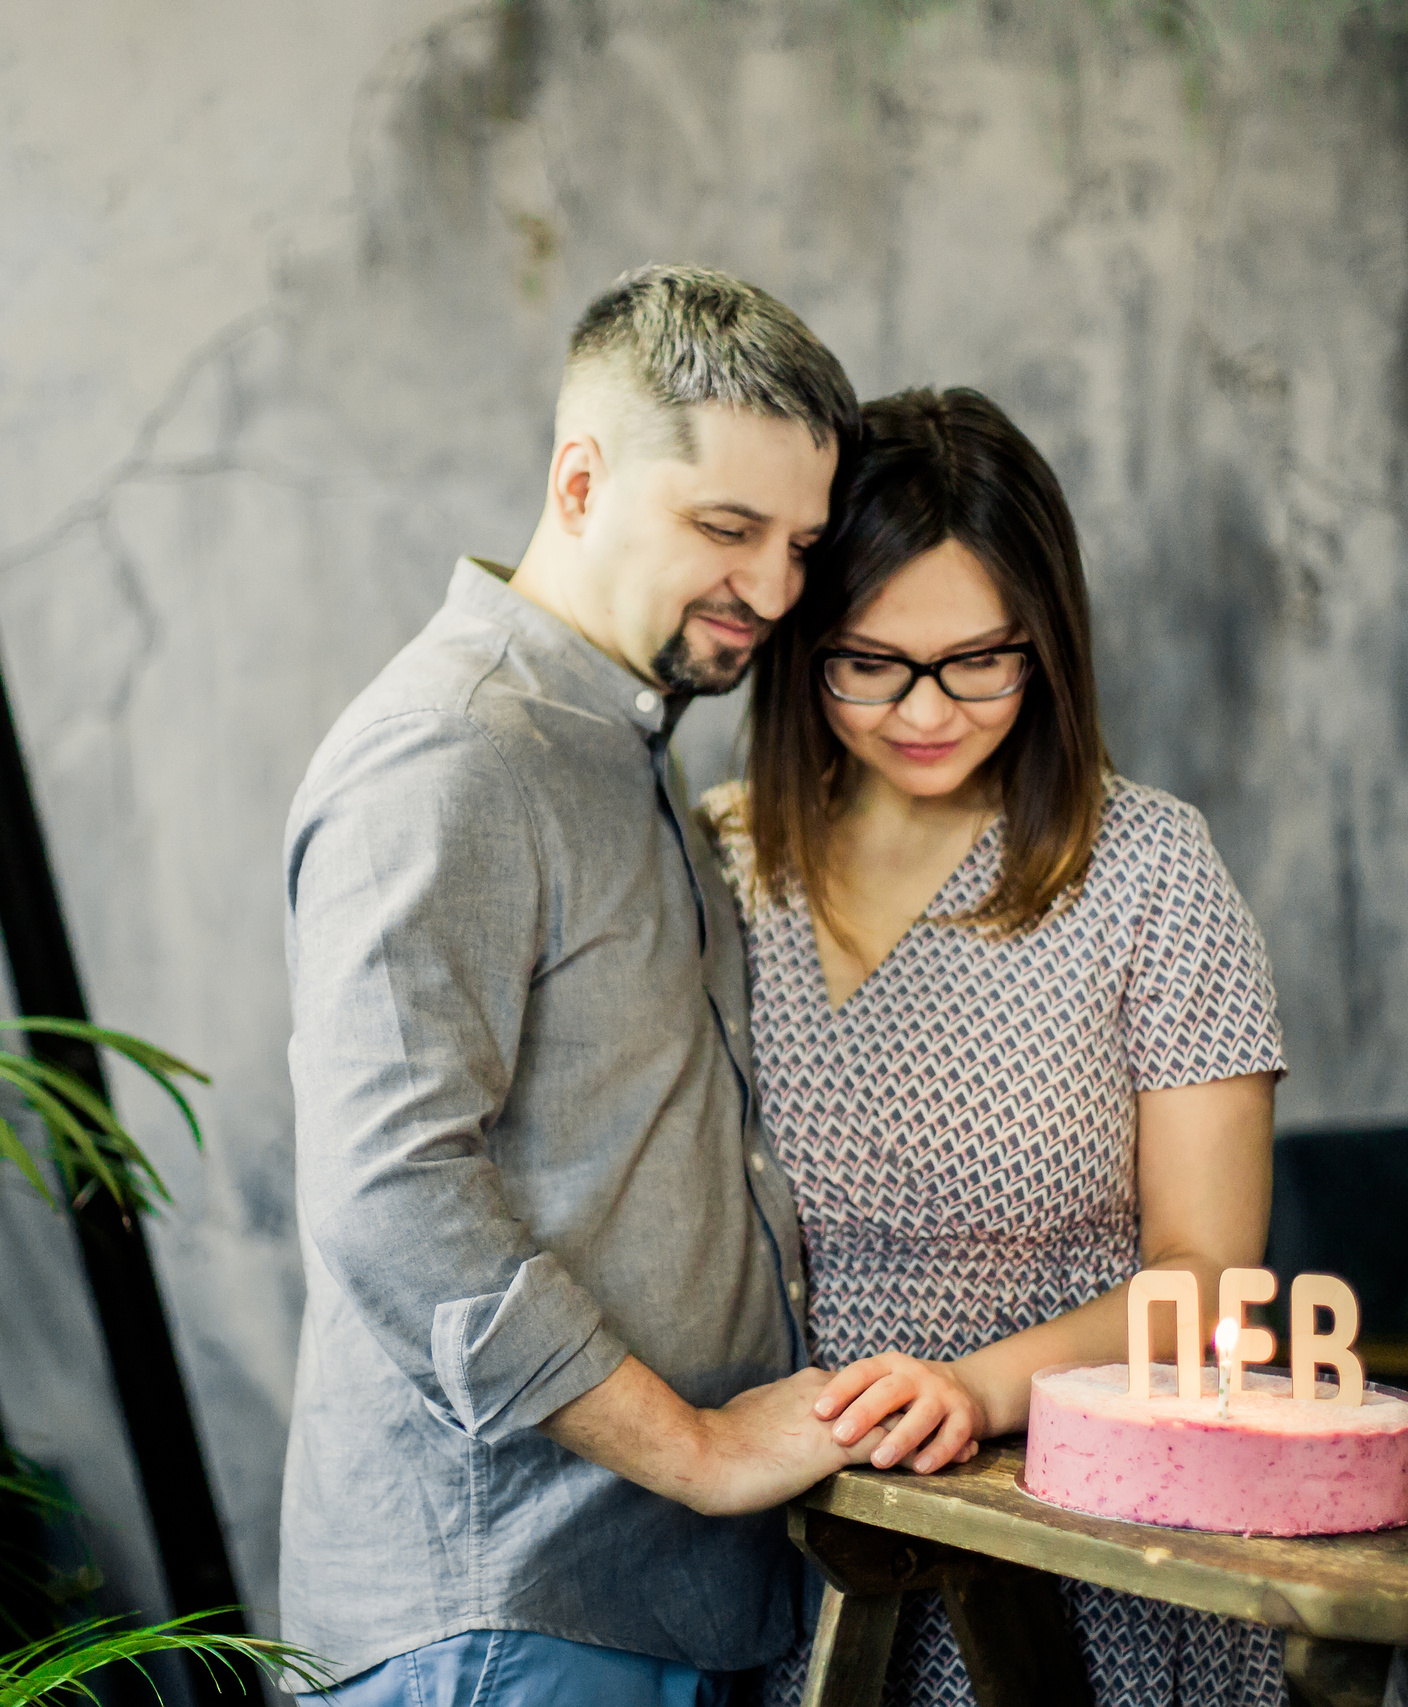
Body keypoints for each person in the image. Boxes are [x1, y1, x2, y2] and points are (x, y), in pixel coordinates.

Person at [280, 264, 876, 1704]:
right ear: (580, 480)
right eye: (725, 528)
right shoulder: (453, 750)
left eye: (799, 544)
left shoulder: (616, 739)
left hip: (644, 1606)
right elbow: (392, 1196)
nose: (774, 591)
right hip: (508, 1618)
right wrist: (701, 1449)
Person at [705, 387, 1288, 1707]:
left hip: (1076, 1535)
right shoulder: (723, 863)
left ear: (1049, 642)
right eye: (870, 662)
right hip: (796, 1544)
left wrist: (971, 1389)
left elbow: (1207, 1279)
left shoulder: (1148, 871)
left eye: (980, 659)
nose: (927, 710)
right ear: (801, 645)